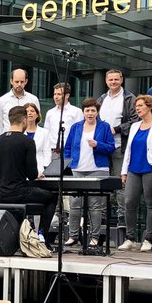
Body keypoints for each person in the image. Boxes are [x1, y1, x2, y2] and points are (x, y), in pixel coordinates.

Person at [0, 106, 57, 237]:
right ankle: (42, 235)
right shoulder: (27, 142)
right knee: (52, 197)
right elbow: (32, 175)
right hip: (18, 193)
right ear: (24, 120)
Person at [61, 98, 115, 248]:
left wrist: (98, 145)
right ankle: (73, 236)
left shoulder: (104, 127)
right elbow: (67, 147)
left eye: (93, 110)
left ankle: (94, 237)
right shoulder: (76, 127)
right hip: (78, 169)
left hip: (98, 169)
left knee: (95, 205)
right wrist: (67, 164)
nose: (90, 113)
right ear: (83, 112)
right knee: (75, 204)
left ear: (97, 112)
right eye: (87, 110)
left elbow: (111, 147)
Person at [118, 95, 152, 251]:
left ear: (150, 106)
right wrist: (124, 171)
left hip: (151, 168)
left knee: (151, 204)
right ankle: (130, 238)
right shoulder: (135, 126)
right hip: (133, 168)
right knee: (129, 202)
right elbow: (129, 149)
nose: (137, 109)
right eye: (136, 106)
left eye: (140, 106)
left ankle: (148, 238)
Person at [97, 69, 136, 175]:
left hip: (120, 146)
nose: (113, 82)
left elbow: (135, 121)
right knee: (104, 179)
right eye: (110, 80)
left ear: (121, 80)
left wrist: (116, 129)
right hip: (103, 146)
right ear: (106, 81)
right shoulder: (102, 99)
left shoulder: (130, 98)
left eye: (116, 79)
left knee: (120, 178)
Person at [43, 82, 84, 168]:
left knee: (68, 174)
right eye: (54, 94)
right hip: (53, 151)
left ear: (67, 95)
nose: (56, 97)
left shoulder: (76, 112)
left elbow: (79, 133)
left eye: (59, 94)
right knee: (52, 174)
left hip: (69, 151)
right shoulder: (50, 113)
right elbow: (46, 133)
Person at [23, 102, 54, 177]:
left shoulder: (44, 132)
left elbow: (47, 152)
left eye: (32, 111)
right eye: (27, 111)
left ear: (37, 115)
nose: (29, 113)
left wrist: (45, 169)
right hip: (22, 169)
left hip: (39, 169)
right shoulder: (20, 132)